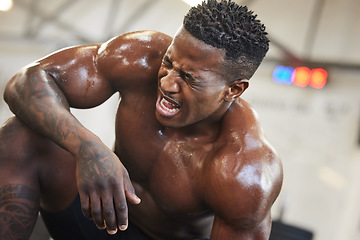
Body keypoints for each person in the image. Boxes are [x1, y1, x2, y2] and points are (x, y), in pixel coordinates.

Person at [1, 0, 283, 239]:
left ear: (233, 90)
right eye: (169, 63)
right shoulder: (140, 57)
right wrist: (86, 145)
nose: (168, 83)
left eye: (189, 77)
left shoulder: (245, 170)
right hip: (97, 215)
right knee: (22, 135)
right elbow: (25, 82)